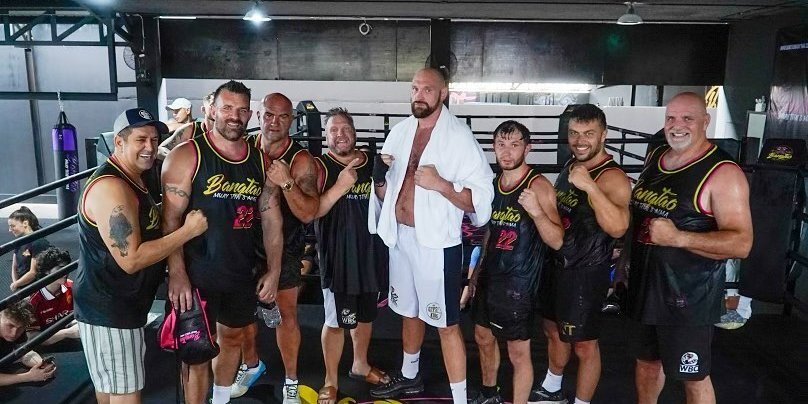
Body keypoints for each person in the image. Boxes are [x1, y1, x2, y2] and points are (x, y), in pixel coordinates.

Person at [368, 67, 495, 404]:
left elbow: (482, 199)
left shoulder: (459, 138)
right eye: (415, 88)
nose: (419, 95)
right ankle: (410, 376)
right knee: (409, 311)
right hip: (400, 238)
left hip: (437, 245)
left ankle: (460, 398)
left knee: (446, 323)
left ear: (443, 93)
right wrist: (378, 180)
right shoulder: (399, 132)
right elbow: (385, 193)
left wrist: (441, 185)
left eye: (427, 89)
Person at [73, 107, 208, 404]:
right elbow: (131, 258)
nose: (149, 147)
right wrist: (188, 231)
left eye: (154, 139)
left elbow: (139, 226)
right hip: (109, 310)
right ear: (119, 142)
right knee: (126, 395)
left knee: (111, 390)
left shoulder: (133, 178)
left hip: (118, 307)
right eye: (140, 140)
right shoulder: (112, 188)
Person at [625, 92, 753, 404]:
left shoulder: (723, 172)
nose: (677, 125)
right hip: (646, 288)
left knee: (693, 378)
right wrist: (624, 262)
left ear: (705, 122)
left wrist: (679, 238)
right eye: (671, 118)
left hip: (689, 297)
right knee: (646, 365)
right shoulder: (657, 157)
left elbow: (742, 243)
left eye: (687, 118)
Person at [161, 80, 283, 404]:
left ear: (250, 115)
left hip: (240, 271)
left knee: (232, 339)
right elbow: (169, 220)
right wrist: (177, 273)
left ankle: (221, 399)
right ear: (212, 110)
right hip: (196, 273)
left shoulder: (261, 162)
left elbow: (272, 221)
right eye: (227, 108)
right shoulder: (187, 156)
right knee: (196, 352)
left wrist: (273, 271)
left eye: (242, 110)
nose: (234, 116)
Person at [534, 104, 631, 404]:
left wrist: (591, 187)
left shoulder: (613, 177)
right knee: (552, 330)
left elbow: (618, 227)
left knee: (584, 345)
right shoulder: (571, 165)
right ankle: (552, 387)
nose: (580, 141)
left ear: (604, 135)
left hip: (586, 272)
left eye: (589, 133)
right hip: (557, 262)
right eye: (574, 133)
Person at [461, 121, 562, 404]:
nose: (507, 152)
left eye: (514, 145)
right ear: (493, 147)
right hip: (490, 277)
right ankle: (489, 393)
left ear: (527, 148)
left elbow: (557, 240)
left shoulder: (538, 186)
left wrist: (537, 212)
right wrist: (474, 278)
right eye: (501, 145)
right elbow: (489, 233)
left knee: (518, 352)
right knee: (482, 337)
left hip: (520, 284)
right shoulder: (493, 184)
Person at [233, 92, 319, 402]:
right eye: (269, 115)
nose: (274, 122)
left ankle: (291, 380)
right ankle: (251, 364)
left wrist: (286, 182)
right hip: (242, 242)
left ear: (291, 121)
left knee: (286, 314)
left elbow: (308, 213)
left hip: (286, 244)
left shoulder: (300, 160)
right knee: (240, 313)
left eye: (283, 117)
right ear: (258, 116)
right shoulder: (242, 149)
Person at [312, 107, 391, 404]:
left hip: (369, 252)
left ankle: (360, 364)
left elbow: (386, 201)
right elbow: (313, 210)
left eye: (345, 128)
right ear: (326, 136)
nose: (340, 135)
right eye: (333, 130)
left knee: (366, 315)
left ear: (354, 132)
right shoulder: (319, 166)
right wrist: (340, 187)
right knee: (334, 321)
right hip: (337, 256)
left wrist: (381, 180)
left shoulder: (371, 161)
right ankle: (330, 380)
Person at [27, 247, 79, 346]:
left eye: (67, 268)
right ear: (47, 271)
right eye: (60, 268)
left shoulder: (71, 286)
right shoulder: (32, 300)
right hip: (49, 349)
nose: (66, 273)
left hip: (72, 342)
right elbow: (32, 338)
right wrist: (67, 333)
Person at [0, 301, 55, 387]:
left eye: (20, 328)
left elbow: (23, 351)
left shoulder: (18, 328)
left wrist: (41, 364)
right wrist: (29, 377)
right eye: (10, 325)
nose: (14, 334)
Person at [158, 92, 215, 159]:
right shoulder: (189, 128)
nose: (174, 114)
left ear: (188, 110)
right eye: (173, 111)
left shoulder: (199, 122)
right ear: (203, 109)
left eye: (177, 111)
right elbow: (160, 150)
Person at [8, 206, 50, 291]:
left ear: (25, 223)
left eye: (12, 226)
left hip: (36, 289)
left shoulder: (39, 242)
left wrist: (16, 284)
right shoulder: (18, 242)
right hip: (22, 287)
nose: (10, 230)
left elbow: (33, 272)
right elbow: (14, 267)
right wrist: (16, 284)